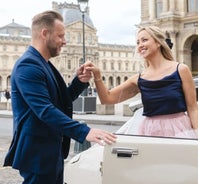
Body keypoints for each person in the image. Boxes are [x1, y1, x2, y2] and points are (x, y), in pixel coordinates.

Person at [3, 10, 116, 184]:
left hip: (49, 150)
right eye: (61, 36)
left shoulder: (43, 63)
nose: (65, 41)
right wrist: (84, 131)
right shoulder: (28, 65)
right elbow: (45, 110)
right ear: (44, 34)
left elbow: (59, 102)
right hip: (37, 154)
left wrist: (78, 82)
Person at [87, 25, 198, 138]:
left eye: (144, 40)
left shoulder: (181, 70)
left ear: (158, 43)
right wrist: (97, 76)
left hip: (179, 130)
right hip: (150, 132)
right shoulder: (138, 79)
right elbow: (107, 99)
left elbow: (193, 108)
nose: (140, 45)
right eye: (138, 42)